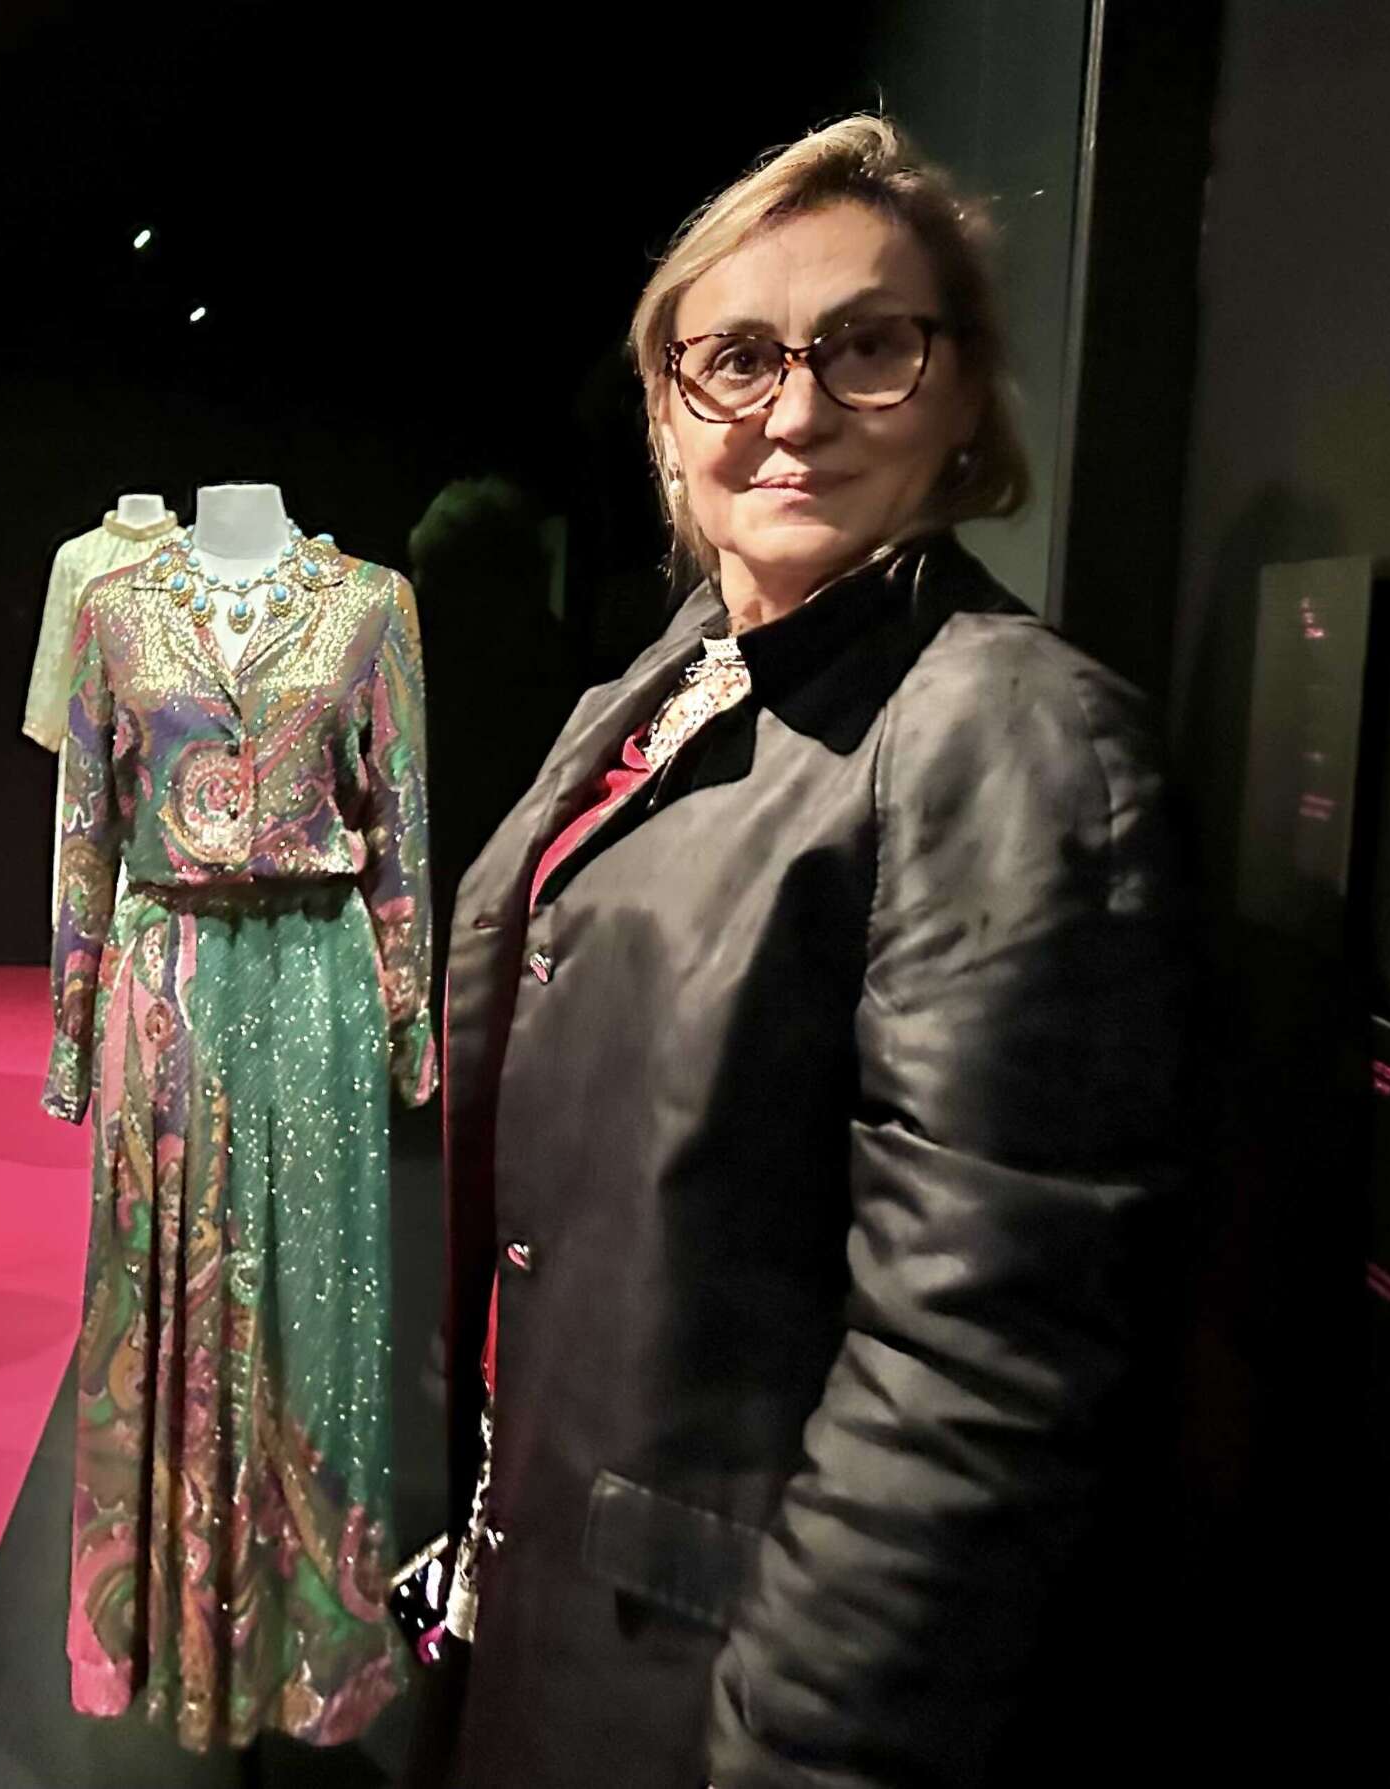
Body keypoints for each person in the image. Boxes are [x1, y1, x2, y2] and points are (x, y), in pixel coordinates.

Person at [436, 115, 1188, 1788]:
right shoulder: (681, 676)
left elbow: (974, 1365)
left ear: (962, 388)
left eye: (865, 347)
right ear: (666, 407)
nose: (793, 412)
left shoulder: (1005, 730)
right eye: (738, 359)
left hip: (725, 1682)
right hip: (573, 1595)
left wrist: (797, 1746)